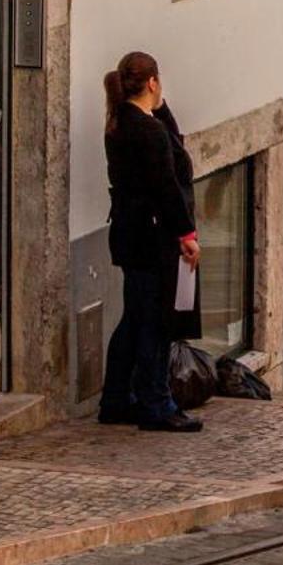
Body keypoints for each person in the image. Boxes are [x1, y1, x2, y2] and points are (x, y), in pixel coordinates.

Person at [99, 51, 204, 433]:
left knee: (134, 319)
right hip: (153, 238)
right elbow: (168, 186)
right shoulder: (148, 131)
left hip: (130, 236)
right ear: (153, 82)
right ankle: (156, 403)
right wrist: (187, 236)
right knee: (155, 323)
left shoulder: (120, 122)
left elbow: (171, 146)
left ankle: (114, 399)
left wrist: (159, 107)